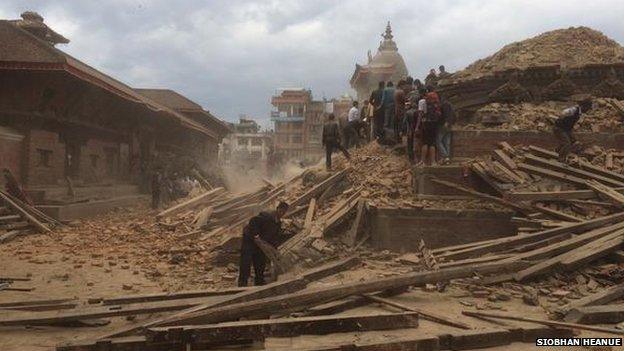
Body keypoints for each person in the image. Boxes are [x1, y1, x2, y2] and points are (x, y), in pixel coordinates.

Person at [238, 201, 290, 286]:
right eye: (281, 211)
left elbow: (274, 238)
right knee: (246, 262)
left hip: (261, 243)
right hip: (250, 240)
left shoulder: (278, 223)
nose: (282, 213)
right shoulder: (267, 215)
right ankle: (242, 283)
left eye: (284, 212)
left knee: (260, 262)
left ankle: (259, 282)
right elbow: (252, 221)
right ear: (277, 209)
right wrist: (256, 235)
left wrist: (275, 250)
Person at [553, 97, 593, 162]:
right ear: (583, 106)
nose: (587, 110)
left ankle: (556, 151)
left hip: (566, 129)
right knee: (567, 143)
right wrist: (562, 120)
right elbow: (563, 112)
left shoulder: (579, 113)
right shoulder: (574, 110)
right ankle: (561, 159)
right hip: (559, 128)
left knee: (573, 142)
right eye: (587, 108)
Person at [418, 86, 442, 166]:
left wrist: (418, 126)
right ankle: (433, 162)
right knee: (432, 143)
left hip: (426, 123)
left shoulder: (423, 101)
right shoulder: (435, 99)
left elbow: (421, 114)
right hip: (434, 123)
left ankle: (423, 161)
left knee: (425, 143)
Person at [437, 98, 455, 164]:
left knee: (438, 141)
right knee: (447, 142)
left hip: (443, 124)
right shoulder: (451, 106)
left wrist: (446, 122)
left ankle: (445, 156)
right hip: (449, 125)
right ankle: (447, 159)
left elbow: (445, 114)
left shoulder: (444, 105)